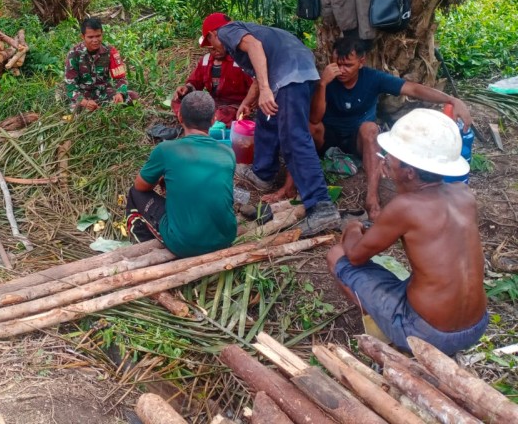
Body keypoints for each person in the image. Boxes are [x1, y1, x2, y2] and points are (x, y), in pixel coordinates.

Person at [326, 109, 487, 355]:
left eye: (391, 157)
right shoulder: (464, 194)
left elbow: (356, 255)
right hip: (477, 326)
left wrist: (352, 228)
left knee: (337, 255)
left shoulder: (405, 207)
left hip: (429, 335)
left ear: (409, 171)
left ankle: (392, 333)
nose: (386, 160)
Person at [265, 36, 473, 220]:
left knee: (370, 128)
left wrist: (451, 99)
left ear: (361, 62)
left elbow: (413, 88)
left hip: (357, 139)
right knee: (310, 127)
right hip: (327, 137)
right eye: (338, 63)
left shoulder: (373, 78)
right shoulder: (327, 79)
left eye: (348, 65)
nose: (342, 70)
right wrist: (322, 85)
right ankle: (289, 186)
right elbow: (315, 117)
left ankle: (372, 198)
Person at [203, 18, 339, 234]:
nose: (214, 48)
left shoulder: (227, 32)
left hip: (290, 75)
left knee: (294, 138)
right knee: (267, 118)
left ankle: (321, 206)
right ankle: (263, 173)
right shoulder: (251, 31)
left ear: (212, 33)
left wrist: (267, 90)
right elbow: (260, 72)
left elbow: (256, 48)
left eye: (210, 43)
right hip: (298, 68)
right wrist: (249, 101)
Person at [126, 92, 237, 257]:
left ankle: (146, 241)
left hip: (184, 243)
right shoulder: (228, 153)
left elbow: (141, 186)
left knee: (134, 193)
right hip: (226, 236)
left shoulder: (166, 150)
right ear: (214, 119)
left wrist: (161, 179)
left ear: (179, 117)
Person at [172, 13, 257, 126]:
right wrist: (185, 89)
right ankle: (195, 122)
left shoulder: (240, 61)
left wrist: (249, 105)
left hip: (235, 106)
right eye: (211, 49)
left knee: (222, 115)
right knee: (177, 101)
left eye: (216, 46)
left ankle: (198, 123)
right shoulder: (205, 61)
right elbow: (195, 82)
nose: (215, 51)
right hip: (213, 104)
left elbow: (255, 87)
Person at [64, 17, 135, 112]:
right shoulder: (74, 54)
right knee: (76, 110)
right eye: (90, 37)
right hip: (84, 95)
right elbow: (70, 85)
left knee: (131, 98)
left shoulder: (110, 52)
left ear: (102, 34)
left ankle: (107, 108)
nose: (95, 40)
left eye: (98, 36)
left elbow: (120, 78)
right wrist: (84, 102)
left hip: (104, 92)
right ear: (83, 37)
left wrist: (120, 94)